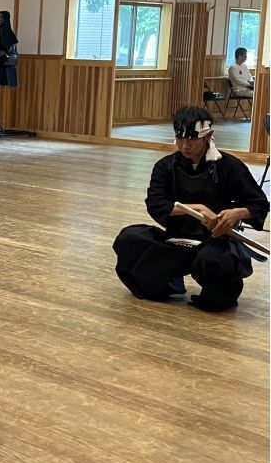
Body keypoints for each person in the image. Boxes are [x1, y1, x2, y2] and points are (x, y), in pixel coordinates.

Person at [112, 106, 268, 311]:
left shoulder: (229, 166)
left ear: (208, 136)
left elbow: (259, 204)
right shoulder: (165, 166)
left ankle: (213, 293)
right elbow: (156, 203)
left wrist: (237, 213)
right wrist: (197, 209)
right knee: (130, 238)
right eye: (180, 139)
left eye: (192, 139)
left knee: (218, 270)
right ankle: (168, 285)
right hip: (178, 238)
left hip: (215, 241)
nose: (185, 146)